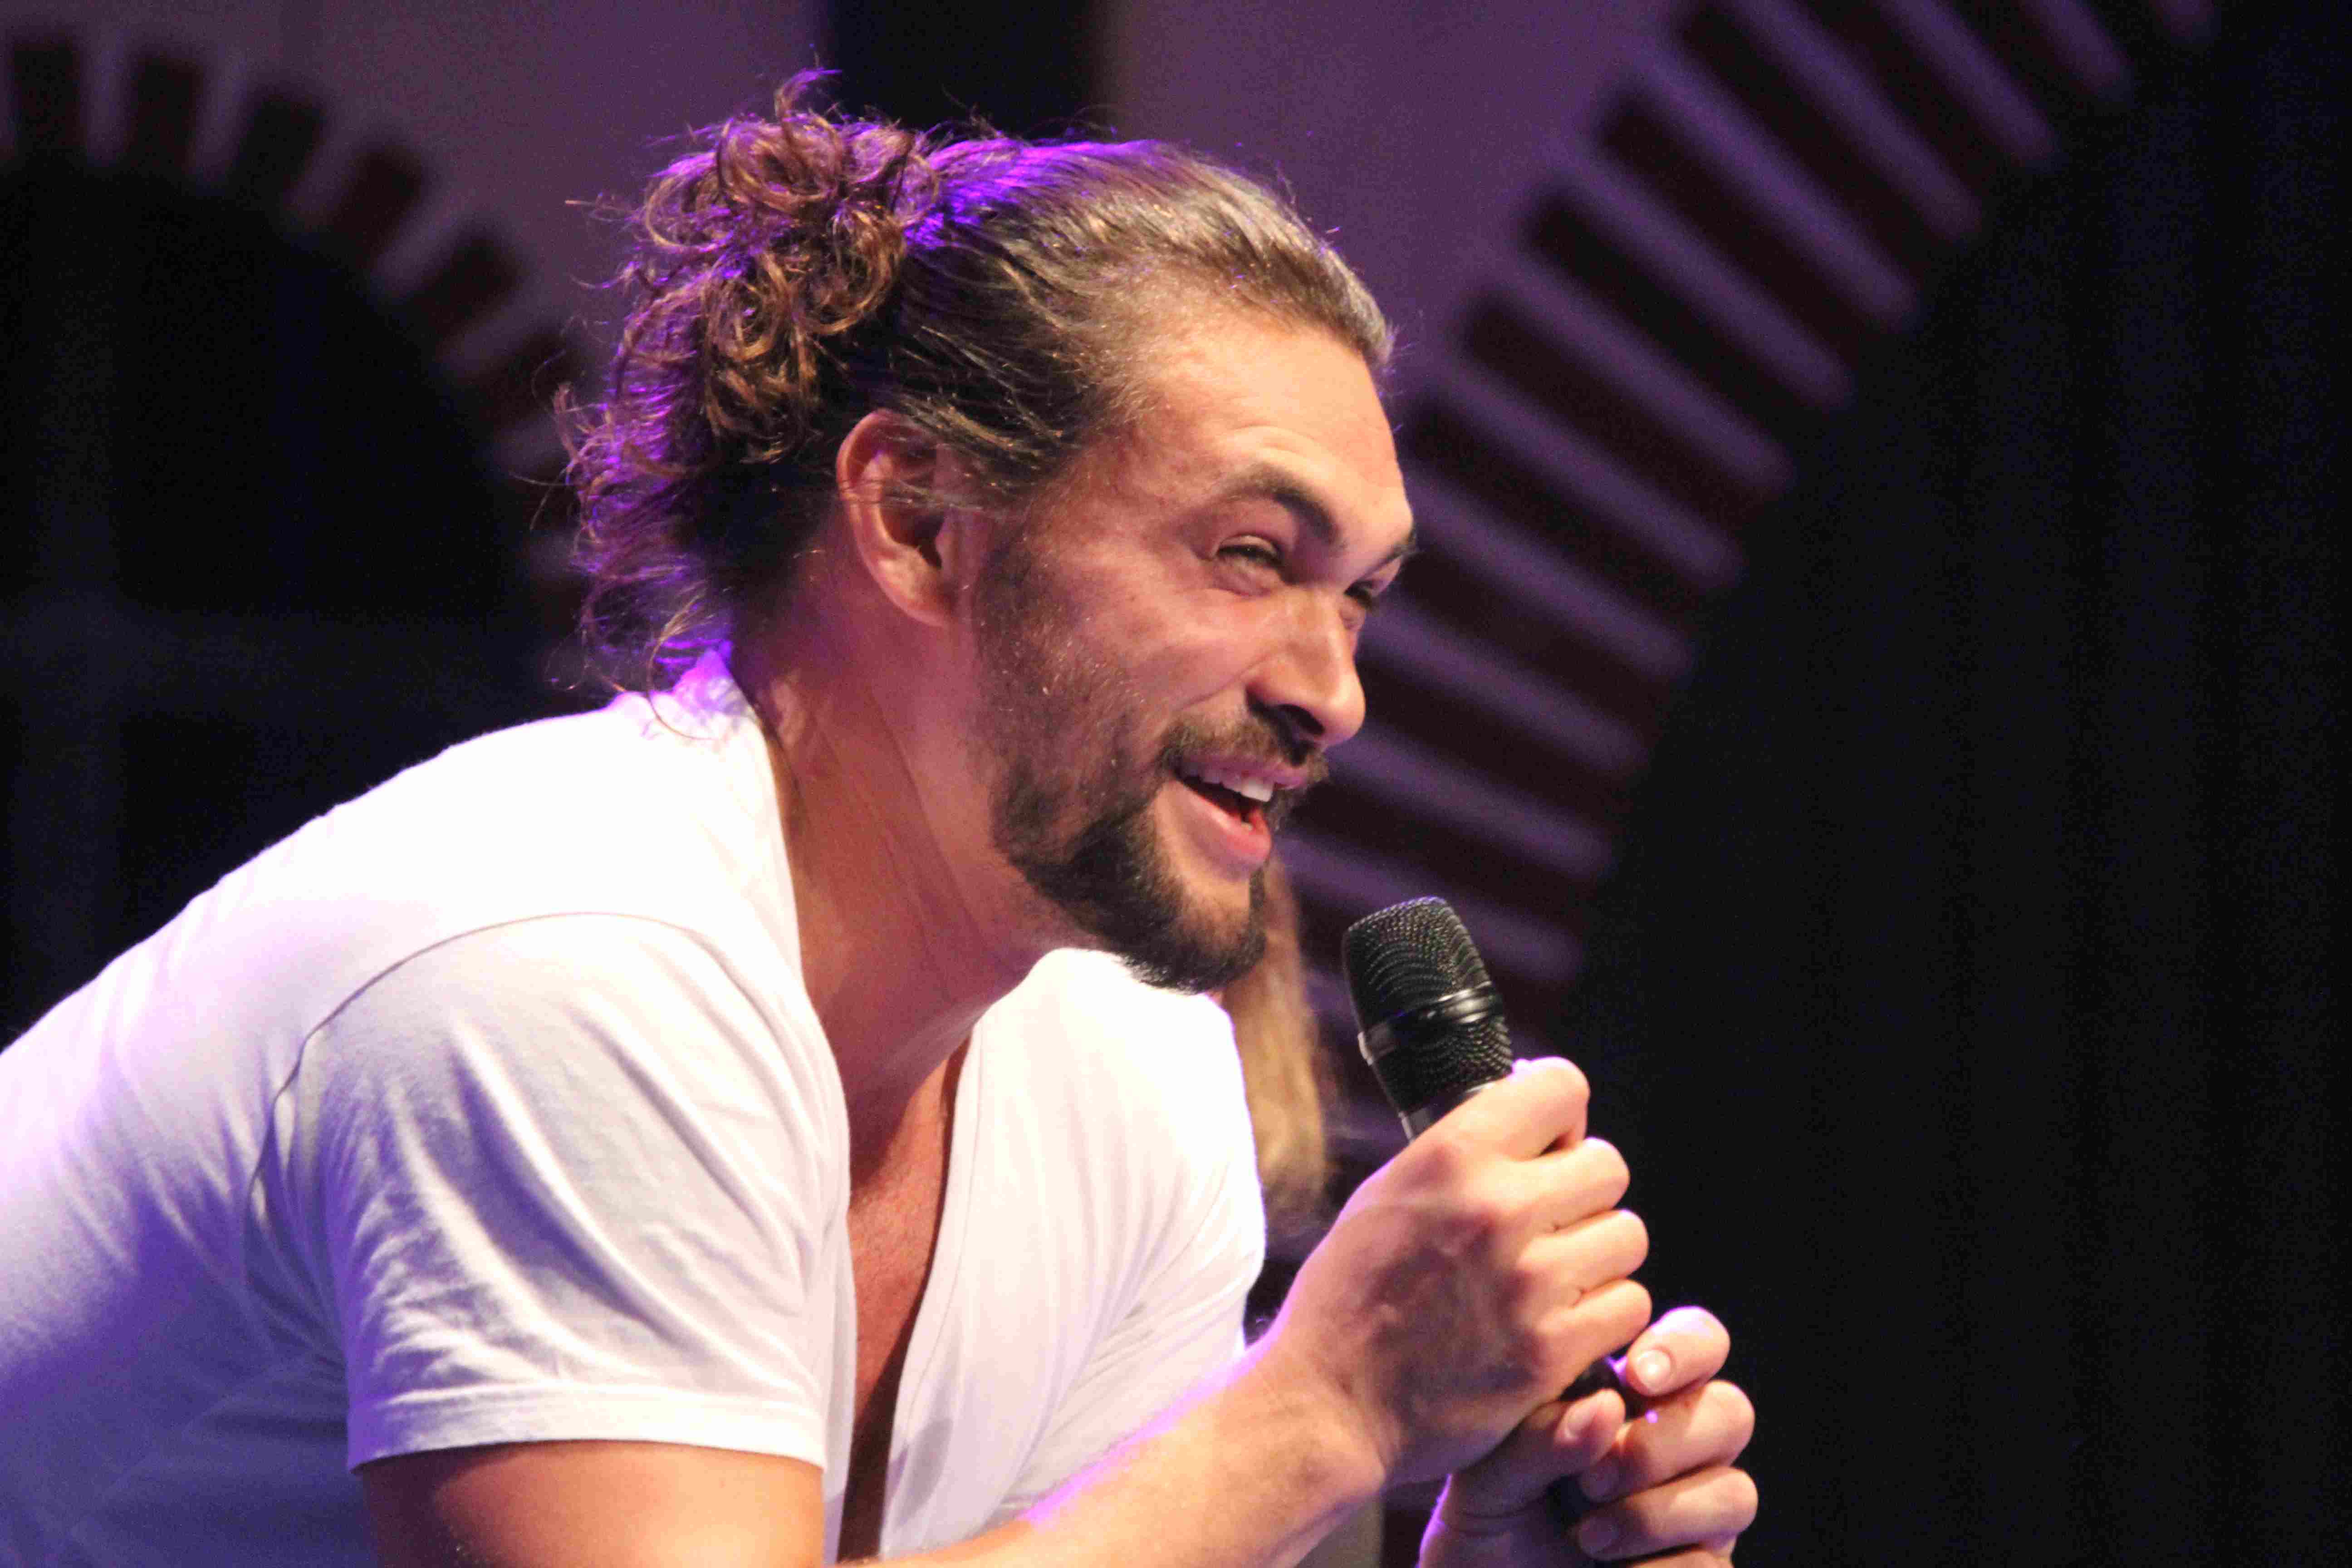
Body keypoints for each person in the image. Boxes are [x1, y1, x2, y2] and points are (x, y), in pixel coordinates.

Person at [0, 82, 1755, 1566]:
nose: (1333, 691)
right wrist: (1326, 1411)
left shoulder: (1128, 1064)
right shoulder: (571, 959)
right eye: (1249, 556)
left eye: (1358, 596)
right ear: (917, 521)